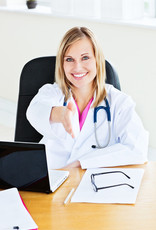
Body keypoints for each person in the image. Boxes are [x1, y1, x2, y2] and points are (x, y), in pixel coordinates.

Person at [26, 26, 149, 169]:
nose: (77, 67)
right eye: (69, 59)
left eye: (85, 58)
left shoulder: (119, 102)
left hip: (93, 181)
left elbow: (137, 149)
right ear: (62, 64)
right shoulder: (52, 92)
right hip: (52, 178)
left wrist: (81, 164)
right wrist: (59, 113)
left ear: (97, 60)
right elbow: (34, 111)